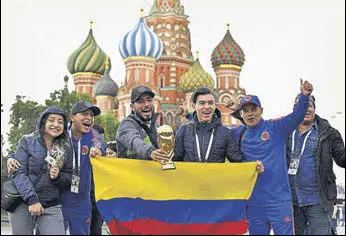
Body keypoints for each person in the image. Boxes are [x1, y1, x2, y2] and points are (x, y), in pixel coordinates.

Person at [230, 79, 314, 235]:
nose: (250, 114)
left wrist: (304, 96)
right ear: (240, 114)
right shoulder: (237, 133)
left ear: (261, 110)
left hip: (279, 202)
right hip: (253, 203)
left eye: (253, 109)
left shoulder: (276, 128)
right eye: (246, 111)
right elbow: (215, 136)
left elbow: (296, 116)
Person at [286, 94, 345, 235]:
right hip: (290, 201)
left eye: (310, 106)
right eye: (302, 106)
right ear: (296, 110)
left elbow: (342, 158)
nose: (306, 110)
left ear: (314, 108)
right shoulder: (285, 132)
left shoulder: (328, 132)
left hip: (318, 201)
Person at [9, 106, 73, 235]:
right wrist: (32, 200)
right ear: (43, 122)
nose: (56, 125)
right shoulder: (26, 141)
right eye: (52, 120)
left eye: (60, 122)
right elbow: (18, 173)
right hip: (23, 202)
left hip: (51, 204)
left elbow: (72, 178)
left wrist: (58, 177)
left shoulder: (66, 147)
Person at [173, 86, 263, 172]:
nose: (207, 107)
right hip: (189, 185)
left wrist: (253, 167)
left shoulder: (225, 133)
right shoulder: (184, 131)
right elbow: (174, 161)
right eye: (202, 103)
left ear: (215, 105)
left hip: (215, 186)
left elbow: (238, 161)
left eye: (211, 103)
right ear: (193, 106)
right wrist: (161, 159)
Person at [61, 101, 105, 235]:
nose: (89, 118)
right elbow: (37, 142)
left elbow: (99, 144)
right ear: (72, 117)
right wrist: (13, 157)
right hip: (58, 199)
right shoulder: (60, 133)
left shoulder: (93, 134)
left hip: (81, 201)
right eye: (85, 114)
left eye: (92, 115)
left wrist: (97, 149)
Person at [116, 85, 169, 163]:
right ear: (132, 107)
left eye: (149, 100)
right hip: (130, 174)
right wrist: (150, 152)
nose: (146, 104)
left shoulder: (156, 126)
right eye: (141, 101)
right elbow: (134, 141)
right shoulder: (126, 124)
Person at [89, 124, 105, 235]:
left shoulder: (100, 150)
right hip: (83, 197)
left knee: (96, 228)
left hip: (98, 196)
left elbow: (99, 145)